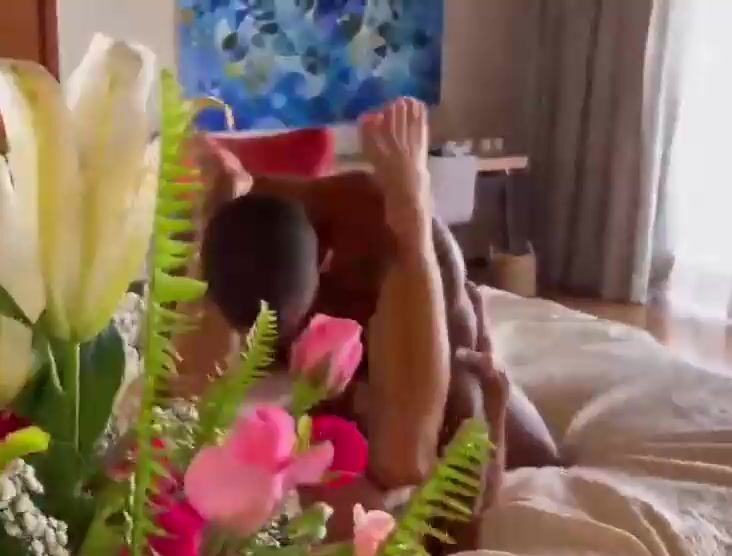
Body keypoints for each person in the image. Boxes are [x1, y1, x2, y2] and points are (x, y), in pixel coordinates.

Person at [179, 98, 558, 531]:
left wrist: (411, 198)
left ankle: (487, 369)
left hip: (430, 303)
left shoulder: (385, 228)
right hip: (345, 354)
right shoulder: (227, 226)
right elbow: (188, 395)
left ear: (327, 260)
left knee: (532, 454)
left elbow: (406, 462)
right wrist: (209, 211)